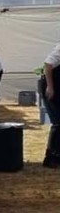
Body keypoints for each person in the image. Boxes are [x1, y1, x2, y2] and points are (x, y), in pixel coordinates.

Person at [42, 39, 60, 168]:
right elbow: (47, 65)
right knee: (58, 123)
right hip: (52, 87)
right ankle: (51, 157)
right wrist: (50, 87)